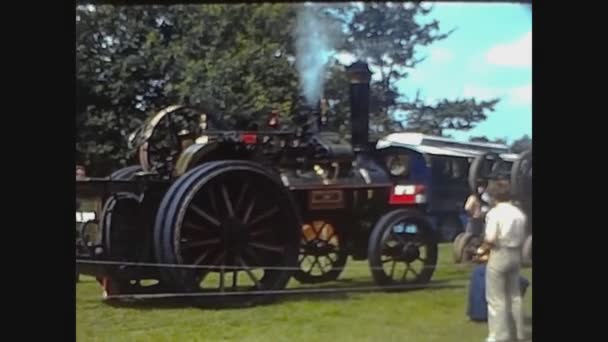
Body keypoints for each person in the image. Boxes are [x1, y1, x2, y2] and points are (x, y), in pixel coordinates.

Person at [475, 179, 527, 342]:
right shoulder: (519, 213)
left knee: (496, 298)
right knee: (514, 296)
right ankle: (518, 332)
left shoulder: (494, 213)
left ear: (493, 196)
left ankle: (499, 335)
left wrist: (480, 251)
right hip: (516, 253)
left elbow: (490, 239)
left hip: (500, 253)